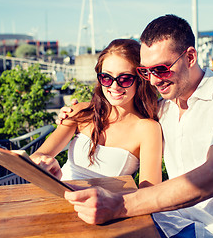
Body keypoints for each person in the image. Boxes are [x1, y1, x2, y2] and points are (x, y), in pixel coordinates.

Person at [58, 15, 213, 237]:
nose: (154, 80)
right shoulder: (163, 108)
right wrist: (78, 112)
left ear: (191, 57)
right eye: (145, 72)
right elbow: (120, 114)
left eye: (161, 69)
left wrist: (120, 205)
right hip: (174, 223)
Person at [30, 39, 162, 188]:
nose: (114, 86)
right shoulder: (81, 111)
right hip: (59, 196)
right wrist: (44, 162)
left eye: (125, 79)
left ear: (140, 80)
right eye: (106, 77)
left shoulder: (147, 129)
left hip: (107, 207)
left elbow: (150, 191)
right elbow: (38, 155)